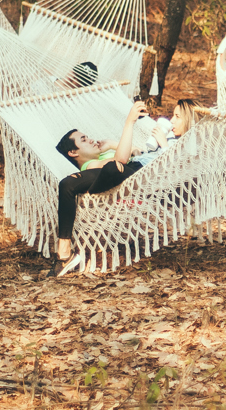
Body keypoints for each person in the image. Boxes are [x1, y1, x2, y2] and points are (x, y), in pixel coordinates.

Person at [51, 99, 199, 277]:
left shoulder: (186, 145)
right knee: (70, 182)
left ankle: (65, 252)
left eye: (177, 116)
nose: (172, 120)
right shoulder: (95, 162)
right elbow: (131, 156)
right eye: (83, 139)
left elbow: (172, 168)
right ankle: (64, 253)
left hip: (141, 177)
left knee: (110, 168)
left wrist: (161, 145)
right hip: (126, 173)